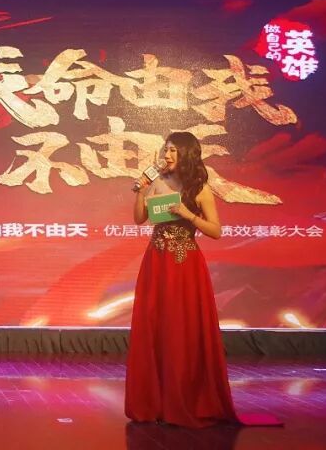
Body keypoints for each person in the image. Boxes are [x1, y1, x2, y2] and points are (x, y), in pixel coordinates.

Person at [125, 131, 238, 428]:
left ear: (186, 154)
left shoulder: (200, 189)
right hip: (156, 260)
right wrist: (141, 191)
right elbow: (139, 219)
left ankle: (185, 399)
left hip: (184, 263)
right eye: (166, 150)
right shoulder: (157, 182)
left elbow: (216, 231)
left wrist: (188, 214)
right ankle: (153, 403)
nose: (167, 155)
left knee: (181, 328)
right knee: (154, 325)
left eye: (173, 150)